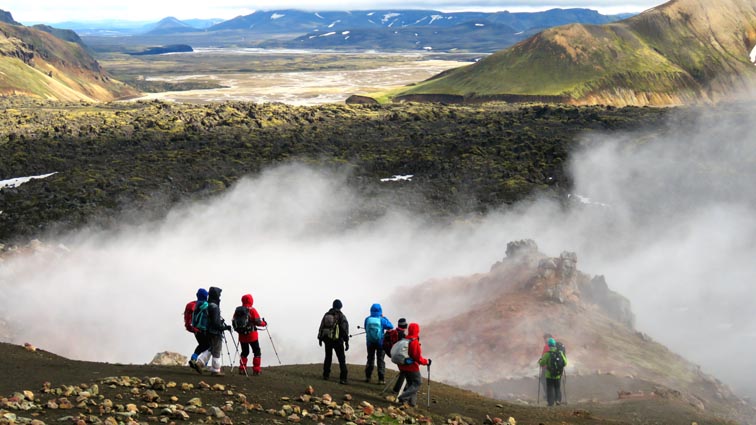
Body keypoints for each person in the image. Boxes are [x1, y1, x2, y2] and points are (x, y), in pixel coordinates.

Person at [197, 286, 231, 376]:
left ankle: (200, 362)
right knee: (216, 350)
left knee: (211, 348)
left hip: (207, 331)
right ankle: (215, 370)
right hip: (215, 332)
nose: (219, 296)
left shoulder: (208, 305)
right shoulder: (215, 307)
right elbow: (215, 323)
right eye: (219, 295)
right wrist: (224, 328)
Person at [397, 323, 431, 407]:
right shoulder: (414, 341)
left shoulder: (404, 339)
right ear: (417, 330)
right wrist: (426, 362)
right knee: (418, 382)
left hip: (403, 365)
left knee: (411, 383)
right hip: (411, 367)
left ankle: (412, 403)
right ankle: (403, 397)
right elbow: (417, 357)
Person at [318, 299, 349, 384]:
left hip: (327, 339)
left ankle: (326, 375)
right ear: (340, 306)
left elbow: (321, 326)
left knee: (328, 357)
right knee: (341, 359)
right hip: (337, 340)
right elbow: (344, 330)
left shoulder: (327, 314)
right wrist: (346, 342)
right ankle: (343, 378)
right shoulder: (341, 316)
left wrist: (320, 338)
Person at [236, 294, 267, 375]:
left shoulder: (238, 310)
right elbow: (258, 322)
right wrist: (264, 323)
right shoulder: (252, 310)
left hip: (242, 336)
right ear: (251, 300)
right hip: (252, 335)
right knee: (256, 351)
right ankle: (256, 369)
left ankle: (242, 368)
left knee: (244, 352)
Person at [364, 303, 394, 384]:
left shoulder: (367, 319)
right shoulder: (382, 319)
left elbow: (366, 330)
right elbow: (391, 326)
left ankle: (368, 377)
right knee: (380, 360)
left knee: (370, 359)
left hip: (370, 342)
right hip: (380, 343)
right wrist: (384, 317)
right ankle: (381, 379)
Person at [186, 288, 210, 374]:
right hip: (203, 329)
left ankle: (193, 358)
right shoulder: (205, 304)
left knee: (202, 345)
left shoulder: (195, 304)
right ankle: (202, 364)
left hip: (195, 329)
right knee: (208, 346)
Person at [539, 337, 568, 406]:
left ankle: (550, 402)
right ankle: (558, 400)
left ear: (549, 345)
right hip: (558, 374)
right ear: (555, 345)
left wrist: (540, 361)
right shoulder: (560, 353)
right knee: (557, 387)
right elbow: (565, 363)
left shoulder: (547, 354)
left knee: (550, 388)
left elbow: (542, 363)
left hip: (549, 374)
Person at [383, 318, 408, 393]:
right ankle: (398, 389)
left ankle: (400, 389)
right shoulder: (402, 336)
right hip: (399, 356)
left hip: (392, 354)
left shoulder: (392, 332)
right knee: (405, 371)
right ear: (405, 326)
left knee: (403, 371)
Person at [539, 333, 553, 397]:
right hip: (552, 367)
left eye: (545, 338)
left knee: (543, 380)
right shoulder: (555, 346)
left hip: (546, 367)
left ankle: (548, 394)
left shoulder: (547, 346)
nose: (544, 340)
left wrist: (541, 362)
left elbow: (545, 356)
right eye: (544, 338)